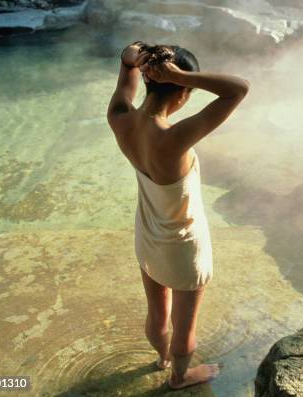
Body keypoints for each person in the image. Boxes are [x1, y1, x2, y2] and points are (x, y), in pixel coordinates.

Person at [106, 41, 249, 390]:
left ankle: (161, 359)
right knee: (185, 325)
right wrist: (182, 75)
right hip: (184, 246)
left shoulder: (120, 119)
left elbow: (126, 80)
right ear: (183, 93)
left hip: (148, 234)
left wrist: (129, 62)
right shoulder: (174, 138)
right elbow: (238, 90)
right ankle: (180, 376)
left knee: (157, 313)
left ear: (147, 79)